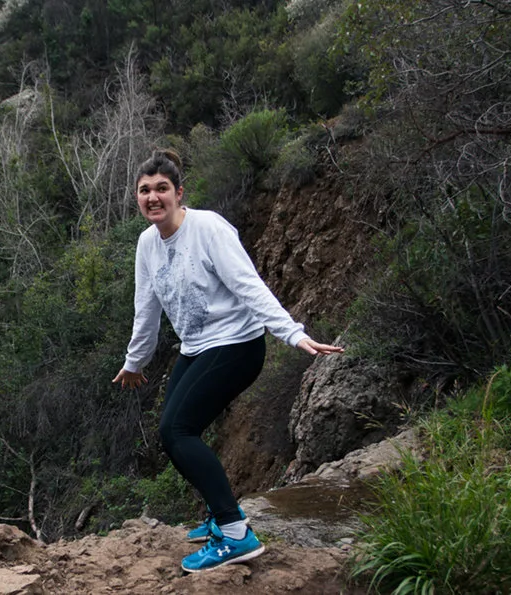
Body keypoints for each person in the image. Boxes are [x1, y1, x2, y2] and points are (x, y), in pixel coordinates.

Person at [113, 149, 342, 573]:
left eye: (162, 188)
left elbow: (248, 285)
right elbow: (145, 308)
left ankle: (235, 533)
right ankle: (222, 515)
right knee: (176, 433)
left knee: (177, 431)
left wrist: (291, 333)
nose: (153, 197)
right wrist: (135, 361)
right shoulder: (147, 243)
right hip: (196, 347)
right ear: (137, 197)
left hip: (237, 345)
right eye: (145, 190)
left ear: (179, 193)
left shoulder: (209, 229)